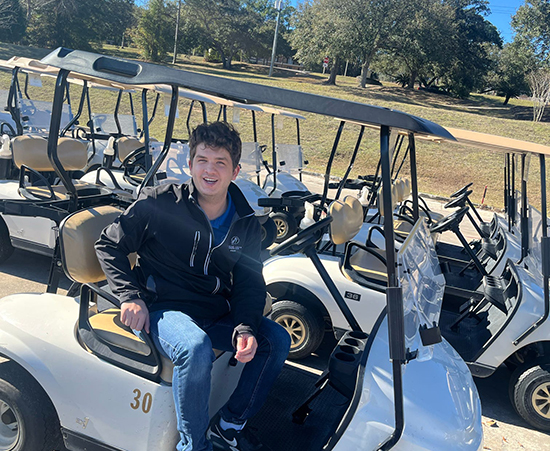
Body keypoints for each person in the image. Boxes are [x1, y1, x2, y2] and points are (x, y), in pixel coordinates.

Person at [95, 121, 291, 451]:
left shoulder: (245, 222)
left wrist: (244, 326)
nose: (209, 170)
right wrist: (129, 296)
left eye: (220, 163)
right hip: (163, 308)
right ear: (190, 164)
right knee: (194, 347)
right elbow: (108, 244)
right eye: (202, 160)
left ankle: (229, 425)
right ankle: (193, 445)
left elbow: (249, 282)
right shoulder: (159, 203)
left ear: (235, 170)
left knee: (276, 339)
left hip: (214, 310)